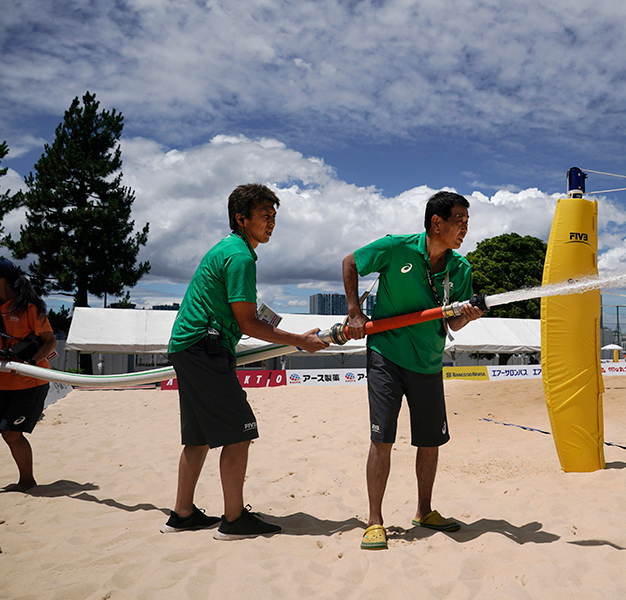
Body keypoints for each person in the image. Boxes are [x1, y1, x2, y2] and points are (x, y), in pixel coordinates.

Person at [164, 183, 328, 540]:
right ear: (241, 219)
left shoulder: (228, 250)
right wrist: (300, 341)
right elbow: (248, 323)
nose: (271, 222)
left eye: (274, 216)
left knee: (198, 438)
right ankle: (234, 520)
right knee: (240, 433)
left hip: (187, 346)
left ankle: (182, 513)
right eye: (264, 216)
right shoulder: (238, 256)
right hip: (204, 349)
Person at [342, 191, 484, 550]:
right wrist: (355, 312)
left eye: (467, 222)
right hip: (386, 356)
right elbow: (350, 262)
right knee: (382, 438)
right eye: (459, 221)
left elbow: (454, 325)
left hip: (429, 361)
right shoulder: (397, 247)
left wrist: (466, 317)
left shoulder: (461, 268)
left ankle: (424, 510)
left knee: (430, 440)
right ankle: (375, 520)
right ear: (436, 223)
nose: (465, 229)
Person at [0, 259, 57, 492]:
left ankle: (27, 481)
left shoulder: (30, 307)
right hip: (3, 381)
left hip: (29, 381)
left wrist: (31, 363)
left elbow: (50, 341)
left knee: (11, 434)